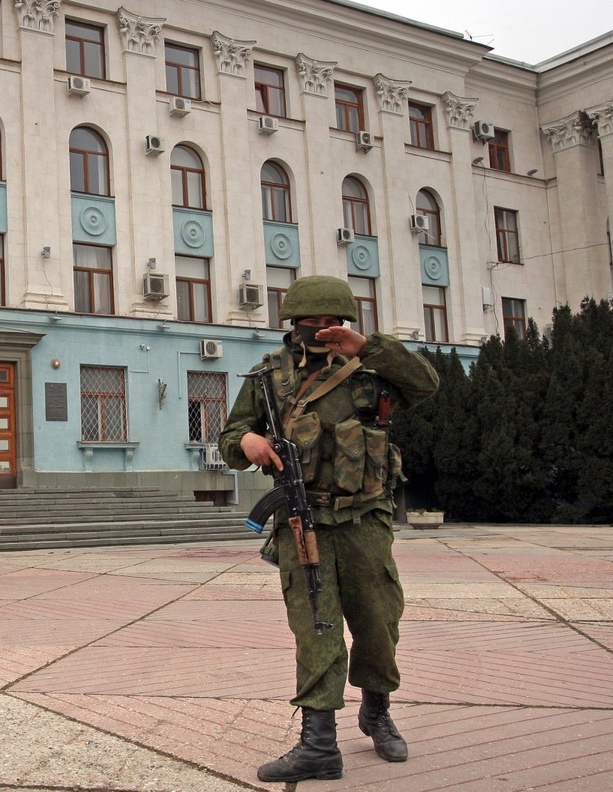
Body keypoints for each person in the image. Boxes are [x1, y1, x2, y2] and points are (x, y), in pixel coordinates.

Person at [218, 275, 439, 783]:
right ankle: (318, 743)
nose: (320, 333)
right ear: (293, 326)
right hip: (303, 518)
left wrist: (371, 348)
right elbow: (231, 435)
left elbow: (427, 384)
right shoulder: (267, 379)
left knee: (379, 621)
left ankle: (377, 711)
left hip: (365, 518)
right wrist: (248, 442)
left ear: (345, 324)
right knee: (316, 627)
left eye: (331, 325)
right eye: (310, 325)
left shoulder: (371, 371)